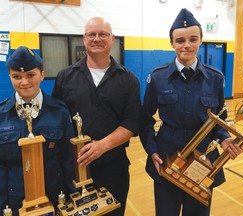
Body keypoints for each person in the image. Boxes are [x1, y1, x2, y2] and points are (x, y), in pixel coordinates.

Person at [139, 8, 243, 216]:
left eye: (192, 39)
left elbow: (219, 120)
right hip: (167, 159)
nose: (186, 45)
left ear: (200, 41)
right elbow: (144, 119)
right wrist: (152, 151)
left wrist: (225, 139)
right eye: (180, 40)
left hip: (203, 163)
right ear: (172, 43)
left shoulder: (216, 79)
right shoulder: (158, 78)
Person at [52, 17, 141, 215]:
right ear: (84, 39)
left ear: (112, 39)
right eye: (91, 34)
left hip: (113, 167)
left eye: (103, 34)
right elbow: (57, 121)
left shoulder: (128, 80)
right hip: (74, 169)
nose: (97, 38)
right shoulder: (65, 77)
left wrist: (102, 145)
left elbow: (132, 122)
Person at [0, 46, 76, 215]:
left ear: (42, 74)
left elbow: (67, 159)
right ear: (10, 77)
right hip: (13, 202)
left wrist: (71, 197)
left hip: (53, 196)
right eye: (17, 77)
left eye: (31, 75)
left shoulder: (59, 112)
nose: (24, 82)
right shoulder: (2, 115)